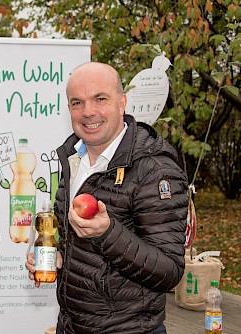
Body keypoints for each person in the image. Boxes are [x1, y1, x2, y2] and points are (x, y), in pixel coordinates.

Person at [26, 62, 188, 333]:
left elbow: (169, 272)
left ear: (122, 102)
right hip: (72, 325)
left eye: (100, 99)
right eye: (77, 102)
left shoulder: (154, 169)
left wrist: (107, 233)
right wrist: (58, 256)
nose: (88, 112)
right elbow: (78, 246)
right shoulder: (72, 159)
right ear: (69, 110)